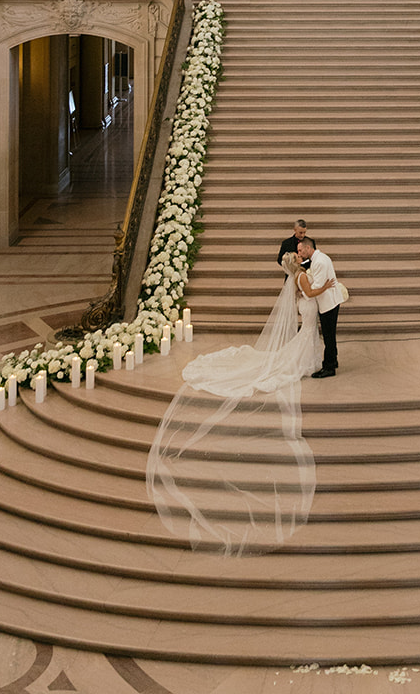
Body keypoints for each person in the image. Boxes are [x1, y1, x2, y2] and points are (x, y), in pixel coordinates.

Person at [146, 250, 333, 554]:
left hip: (306, 313)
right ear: (295, 265)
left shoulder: (295, 276)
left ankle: (306, 361)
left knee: (302, 341)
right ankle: (304, 363)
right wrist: (327, 287)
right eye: (298, 259)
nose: (300, 260)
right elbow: (310, 290)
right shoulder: (300, 277)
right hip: (309, 311)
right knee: (293, 353)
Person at [300, 235, 343, 377]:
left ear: (308, 247)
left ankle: (329, 367)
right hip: (330, 300)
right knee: (330, 334)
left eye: (301, 251)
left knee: (328, 335)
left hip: (328, 303)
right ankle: (334, 359)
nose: (300, 254)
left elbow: (316, 287)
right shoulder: (319, 258)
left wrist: (303, 293)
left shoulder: (319, 262)